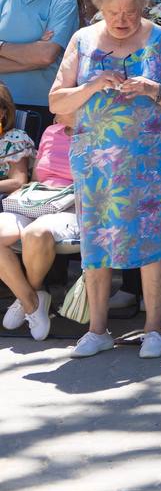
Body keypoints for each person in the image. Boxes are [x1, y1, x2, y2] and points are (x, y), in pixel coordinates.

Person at [49, 0, 161, 359]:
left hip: (148, 162)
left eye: (130, 12)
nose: (122, 20)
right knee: (95, 244)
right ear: (100, 8)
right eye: (114, 13)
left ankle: (153, 329)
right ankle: (97, 330)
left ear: (142, 7)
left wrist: (154, 88)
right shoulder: (82, 40)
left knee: (151, 241)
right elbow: (56, 102)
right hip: (95, 163)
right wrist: (91, 85)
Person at [0, 112, 75, 341]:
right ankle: (31, 301)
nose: (55, 111)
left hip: (73, 204)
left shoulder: (99, 134)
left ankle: (28, 297)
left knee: (36, 233)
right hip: (38, 201)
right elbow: (37, 178)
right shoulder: (51, 132)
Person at [0, 0, 80, 135]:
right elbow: (41, 56)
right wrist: (32, 54)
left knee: (32, 167)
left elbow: (46, 56)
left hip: (43, 107)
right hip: (1, 105)